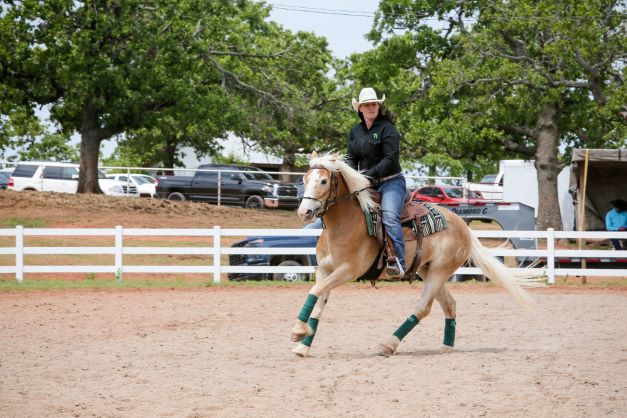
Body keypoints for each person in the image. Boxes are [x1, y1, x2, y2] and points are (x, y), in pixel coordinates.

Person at [346, 87, 407, 277]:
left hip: (391, 182)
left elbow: (390, 159)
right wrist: (350, 177)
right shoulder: (355, 132)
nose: (371, 107)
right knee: (344, 213)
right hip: (366, 184)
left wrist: (366, 177)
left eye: (374, 104)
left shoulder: (387, 129)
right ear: (360, 109)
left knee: (389, 216)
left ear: (378, 107)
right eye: (367, 105)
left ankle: (398, 262)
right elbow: (351, 159)